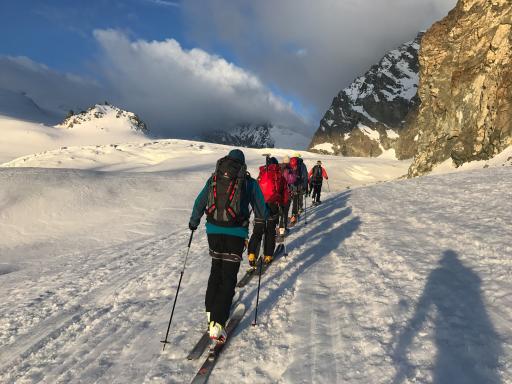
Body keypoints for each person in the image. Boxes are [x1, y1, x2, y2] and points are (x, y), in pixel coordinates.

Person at [189, 149, 267, 343]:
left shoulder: (214, 179)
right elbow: (261, 210)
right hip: (236, 234)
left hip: (213, 232)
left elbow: (199, 202)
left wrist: (194, 222)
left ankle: (211, 313)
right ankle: (217, 323)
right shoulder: (248, 182)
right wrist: (262, 224)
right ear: (242, 164)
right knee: (228, 278)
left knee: (216, 271)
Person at [247, 156, 288, 265]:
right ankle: (268, 255)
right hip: (273, 206)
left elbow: (255, 191)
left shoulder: (261, 174)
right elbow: (285, 194)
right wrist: (283, 205)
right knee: (270, 231)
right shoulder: (279, 176)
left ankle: (252, 254)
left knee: (258, 230)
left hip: (260, 206)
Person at [279, 155, 296, 235]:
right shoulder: (289, 170)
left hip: (278, 195)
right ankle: (282, 230)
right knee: (285, 213)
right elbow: (292, 180)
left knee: (280, 213)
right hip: (287, 195)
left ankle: (279, 229)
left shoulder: (278, 168)